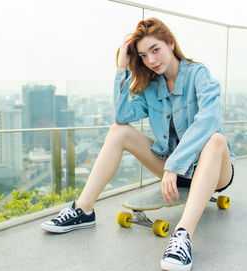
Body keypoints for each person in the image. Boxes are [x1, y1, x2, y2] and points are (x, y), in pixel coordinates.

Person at [41, 18, 236, 271]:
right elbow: (122, 116)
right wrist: (122, 69)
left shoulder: (198, 75)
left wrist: (173, 166)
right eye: (143, 55)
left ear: (170, 43)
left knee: (216, 138)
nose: (151, 60)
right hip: (174, 171)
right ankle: (83, 210)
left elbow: (210, 119)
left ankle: (182, 237)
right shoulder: (151, 87)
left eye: (156, 50)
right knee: (118, 131)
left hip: (213, 170)